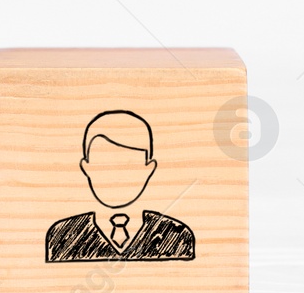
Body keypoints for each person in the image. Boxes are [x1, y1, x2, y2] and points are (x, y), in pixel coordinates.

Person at [45, 110, 195, 262]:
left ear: (148, 169)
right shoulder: (63, 236)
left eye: (129, 165)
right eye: (102, 164)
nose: (115, 178)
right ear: (86, 167)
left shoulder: (176, 235)